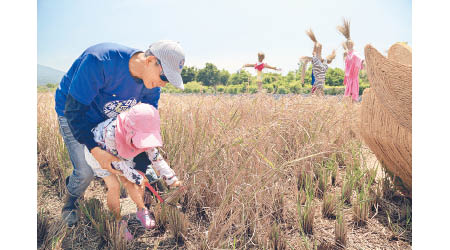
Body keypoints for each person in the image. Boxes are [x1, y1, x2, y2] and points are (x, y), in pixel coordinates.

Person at [54, 40, 186, 227]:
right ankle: (71, 203)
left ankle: (146, 204)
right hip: (74, 113)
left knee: (138, 164)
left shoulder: (152, 87)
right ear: (150, 61)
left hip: (108, 122)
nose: (163, 85)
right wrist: (95, 150)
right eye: (164, 77)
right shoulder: (100, 61)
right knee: (85, 171)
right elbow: (74, 111)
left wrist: (141, 166)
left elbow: (143, 128)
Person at [84, 103, 182, 240]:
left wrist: (171, 179)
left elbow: (155, 157)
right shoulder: (111, 133)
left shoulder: (142, 129)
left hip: (124, 153)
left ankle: (142, 209)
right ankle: (117, 221)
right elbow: (119, 166)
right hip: (101, 156)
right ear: (130, 131)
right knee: (115, 186)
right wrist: (138, 177)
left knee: (132, 183)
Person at [300, 29, 336, 96]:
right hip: (316, 81)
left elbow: (328, 61)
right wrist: (302, 78)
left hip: (321, 82)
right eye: (318, 48)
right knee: (316, 95)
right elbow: (305, 62)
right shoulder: (315, 59)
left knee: (319, 97)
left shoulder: (322, 60)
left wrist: (333, 55)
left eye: (320, 48)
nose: (319, 49)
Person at [337, 18, 364, 102]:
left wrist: (363, 62)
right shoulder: (347, 55)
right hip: (349, 79)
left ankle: (354, 110)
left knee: (354, 97)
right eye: (347, 44)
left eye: (350, 44)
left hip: (354, 78)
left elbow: (360, 59)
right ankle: (349, 112)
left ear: (352, 44)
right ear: (346, 45)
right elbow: (345, 66)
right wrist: (345, 78)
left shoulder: (355, 54)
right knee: (347, 98)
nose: (349, 45)